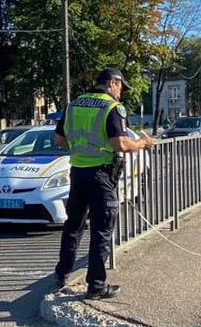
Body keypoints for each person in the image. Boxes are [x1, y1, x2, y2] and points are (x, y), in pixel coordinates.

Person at [53, 68, 155, 298]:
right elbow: (120, 143)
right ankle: (96, 286)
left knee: (74, 225)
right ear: (111, 83)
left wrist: (81, 150)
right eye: (121, 87)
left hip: (78, 172)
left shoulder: (74, 104)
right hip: (102, 176)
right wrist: (142, 144)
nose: (121, 93)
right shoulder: (111, 107)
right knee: (102, 231)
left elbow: (59, 139)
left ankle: (62, 273)